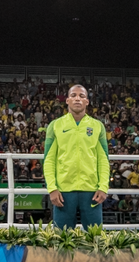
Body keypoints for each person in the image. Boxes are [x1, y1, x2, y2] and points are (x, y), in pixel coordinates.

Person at [43, 85, 109, 229]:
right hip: (63, 192)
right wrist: (52, 188)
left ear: (87, 101)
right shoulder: (55, 126)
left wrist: (103, 187)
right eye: (73, 95)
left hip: (92, 191)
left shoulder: (98, 126)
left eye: (81, 96)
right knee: (61, 239)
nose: (77, 98)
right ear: (67, 100)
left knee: (95, 240)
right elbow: (49, 160)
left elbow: (103, 160)